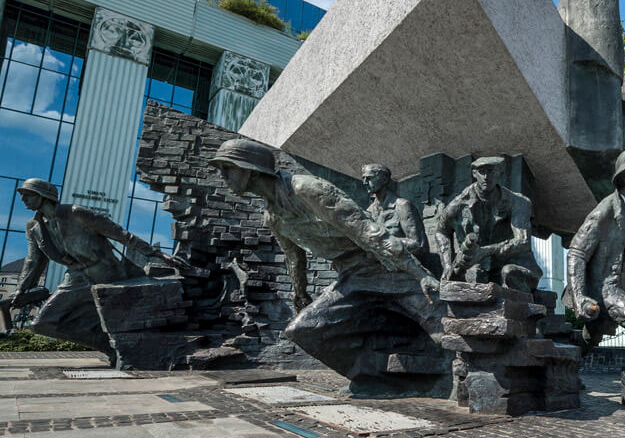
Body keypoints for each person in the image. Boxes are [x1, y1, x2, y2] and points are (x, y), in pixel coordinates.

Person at [209, 139, 441, 377]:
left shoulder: (305, 188)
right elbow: (293, 257)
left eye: (227, 168)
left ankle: (440, 365)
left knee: (441, 329)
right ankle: (376, 377)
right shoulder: (273, 217)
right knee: (302, 330)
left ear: (250, 170)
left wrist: (419, 273)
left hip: (386, 266)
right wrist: (300, 294)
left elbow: (367, 231)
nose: (223, 176)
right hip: (351, 276)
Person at [10, 178, 187, 353]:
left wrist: (157, 254)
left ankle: (122, 347)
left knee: (119, 319)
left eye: (28, 195)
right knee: (42, 324)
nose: (23, 199)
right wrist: (21, 289)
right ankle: (105, 345)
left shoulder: (75, 213)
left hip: (107, 274)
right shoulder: (33, 227)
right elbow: (34, 261)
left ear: (43, 195)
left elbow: (121, 235)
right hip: (75, 278)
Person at [563, 146, 625, 409]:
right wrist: (580, 295)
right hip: (603, 286)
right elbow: (576, 253)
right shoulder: (606, 209)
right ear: (624, 172)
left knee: (590, 337)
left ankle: (563, 371)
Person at [435, 156, 541, 293]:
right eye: (481, 171)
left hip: (515, 266)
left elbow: (523, 241)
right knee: (467, 281)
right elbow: (441, 231)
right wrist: (447, 264)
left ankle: (525, 307)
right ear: (474, 174)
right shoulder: (459, 203)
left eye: (491, 171)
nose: (486, 177)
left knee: (509, 273)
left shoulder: (519, 202)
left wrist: (485, 251)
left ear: (500, 173)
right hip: (479, 267)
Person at [362, 163, 428, 260]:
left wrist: (386, 243)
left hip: (402, 269)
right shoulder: (369, 212)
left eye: (369, 178)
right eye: (363, 178)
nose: (364, 182)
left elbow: (419, 245)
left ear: (384, 179)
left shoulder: (402, 206)